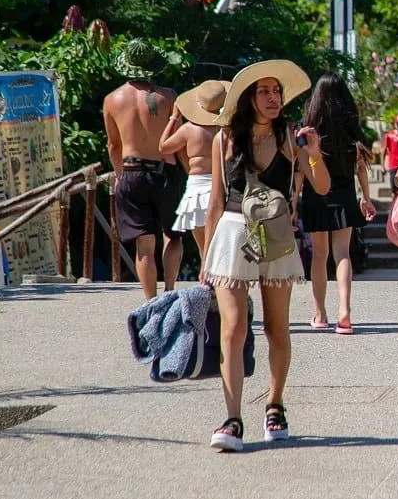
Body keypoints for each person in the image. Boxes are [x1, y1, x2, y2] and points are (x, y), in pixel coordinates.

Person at [202, 60, 330, 453]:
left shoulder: (291, 137)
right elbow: (215, 203)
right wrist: (207, 260)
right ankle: (233, 417)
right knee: (233, 327)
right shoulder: (224, 140)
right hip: (232, 230)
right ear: (248, 98)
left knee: (277, 327)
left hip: (275, 233)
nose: (274, 98)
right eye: (265, 92)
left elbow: (322, 187)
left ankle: (275, 405)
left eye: (277, 91)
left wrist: (314, 154)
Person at [102, 48, 184, 300]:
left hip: (131, 172)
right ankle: (169, 293)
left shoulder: (112, 99)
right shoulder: (170, 97)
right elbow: (178, 139)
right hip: (165, 171)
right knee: (173, 236)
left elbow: (113, 145)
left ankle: (151, 302)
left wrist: (119, 176)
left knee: (144, 245)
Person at [299, 73, 377, 334]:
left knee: (319, 254)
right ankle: (345, 312)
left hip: (315, 195)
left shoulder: (308, 129)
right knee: (342, 253)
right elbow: (361, 167)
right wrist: (365, 197)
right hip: (345, 195)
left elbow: (300, 169)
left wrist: (293, 199)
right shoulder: (350, 127)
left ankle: (320, 314)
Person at [158, 79, 229, 272]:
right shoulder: (226, 131)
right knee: (219, 247)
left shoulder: (189, 129)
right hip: (221, 185)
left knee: (203, 248)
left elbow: (163, 147)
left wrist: (173, 118)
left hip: (197, 189)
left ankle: (206, 287)